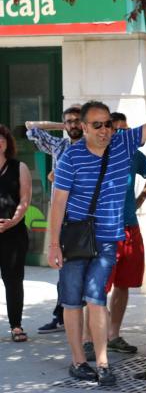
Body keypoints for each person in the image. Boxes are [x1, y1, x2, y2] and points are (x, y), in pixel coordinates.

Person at [47, 74, 146, 386]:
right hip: (74, 237)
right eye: (97, 125)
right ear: (83, 127)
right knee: (72, 302)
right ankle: (78, 361)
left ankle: (102, 363)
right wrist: (53, 245)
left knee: (96, 298)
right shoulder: (71, 156)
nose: (104, 130)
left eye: (107, 124)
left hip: (107, 239)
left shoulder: (123, 143)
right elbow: (57, 203)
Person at [26, 106, 82, 334]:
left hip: (85, 218)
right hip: (62, 217)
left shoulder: (95, 147)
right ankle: (61, 315)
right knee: (63, 268)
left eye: (77, 121)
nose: (73, 125)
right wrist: (62, 126)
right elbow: (31, 126)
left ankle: (83, 317)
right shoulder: (60, 146)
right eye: (69, 121)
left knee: (84, 270)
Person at [104, 112, 146, 354]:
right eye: (119, 129)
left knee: (123, 284)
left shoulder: (134, 154)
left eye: (127, 129)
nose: (124, 134)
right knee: (97, 287)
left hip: (130, 228)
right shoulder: (97, 153)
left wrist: (140, 199)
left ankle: (113, 335)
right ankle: (91, 339)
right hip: (104, 229)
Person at [0, 124, 32, 343]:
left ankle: (16, 326)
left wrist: (13, 221)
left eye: (1, 138)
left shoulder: (19, 167)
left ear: (7, 142)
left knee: (13, 280)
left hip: (13, 233)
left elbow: (25, 199)